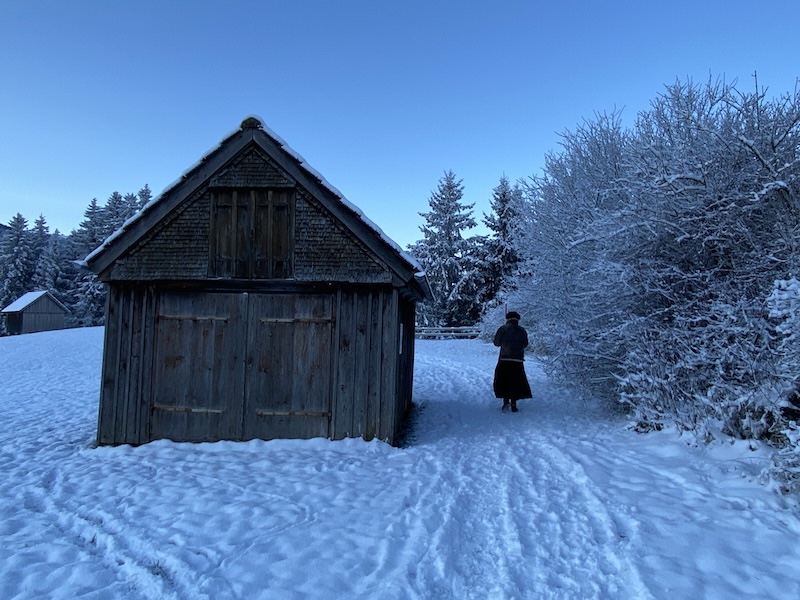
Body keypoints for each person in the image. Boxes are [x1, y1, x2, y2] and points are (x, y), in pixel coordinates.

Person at [493, 311, 532, 412]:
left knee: (504, 380)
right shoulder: (522, 330)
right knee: (515, 381)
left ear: (507, 319)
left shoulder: (503, 329)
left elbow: (496, 343)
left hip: (504, 359)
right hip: (518, 360)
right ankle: (514, 403)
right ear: (518, 319)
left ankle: (506, 402)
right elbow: (525, 344)